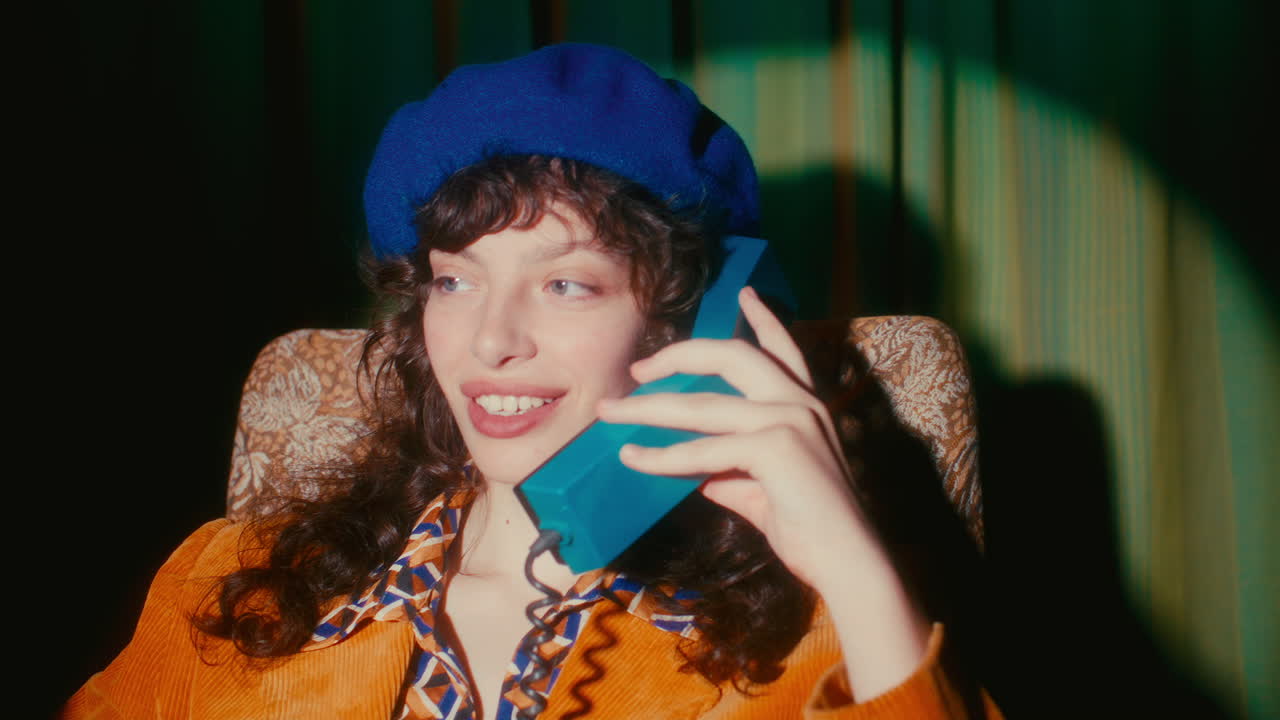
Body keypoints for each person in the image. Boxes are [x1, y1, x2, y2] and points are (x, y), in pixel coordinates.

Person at [66, 44, 1000, 719]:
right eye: (455, 281)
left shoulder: (822, 639)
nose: (490, 341)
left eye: (566, 284)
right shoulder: (234, 579)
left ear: (687, 321)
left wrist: (851, 567)